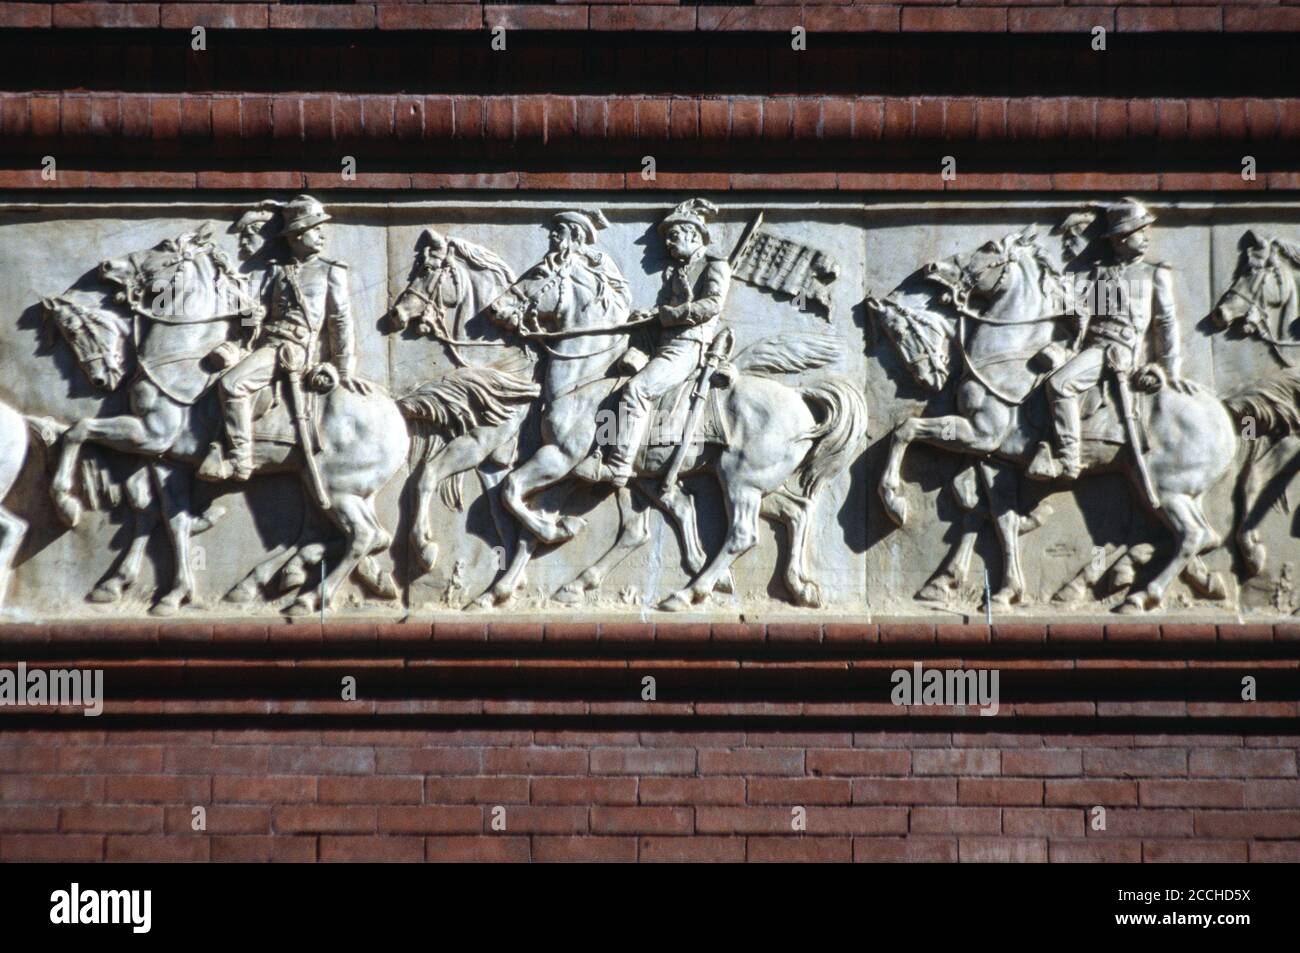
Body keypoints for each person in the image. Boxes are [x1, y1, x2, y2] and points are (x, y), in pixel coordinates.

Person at [198, 194, 369, 482]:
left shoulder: (331, 270)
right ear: (297, 237)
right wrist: (244, 329)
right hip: (267, 342)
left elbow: (340, 320)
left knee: (232, 385)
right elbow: (261, 309)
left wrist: (340, 368)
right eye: (315, 229)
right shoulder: (278, 271)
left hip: (293, 349)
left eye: (321, 229)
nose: (322, 235)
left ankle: (240, 461)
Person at [1032, 197, 1189, 481]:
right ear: (1119, 240)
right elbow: (1092, 318)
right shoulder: (1103, 274)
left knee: (1060, 385)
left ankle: (1069, 460)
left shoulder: (1154, 274)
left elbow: (1165, 324)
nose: (1145, 237)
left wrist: (1168, 370)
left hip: (1119, 351)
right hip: (1095, 346)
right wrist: (1077, 316)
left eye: (1145, 231)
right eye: (1138, 232)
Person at [587, 198, 732, 488]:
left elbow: (713, 304)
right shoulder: (676, 272)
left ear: (694, 234)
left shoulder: (714, 266)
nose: (669, 243)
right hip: (662, 343)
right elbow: (665, 308)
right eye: (667, 238)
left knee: (637, 390)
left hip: (689, 346)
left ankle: (619, 467)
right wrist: (651, 315)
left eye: (675, 236)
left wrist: (670, 315)